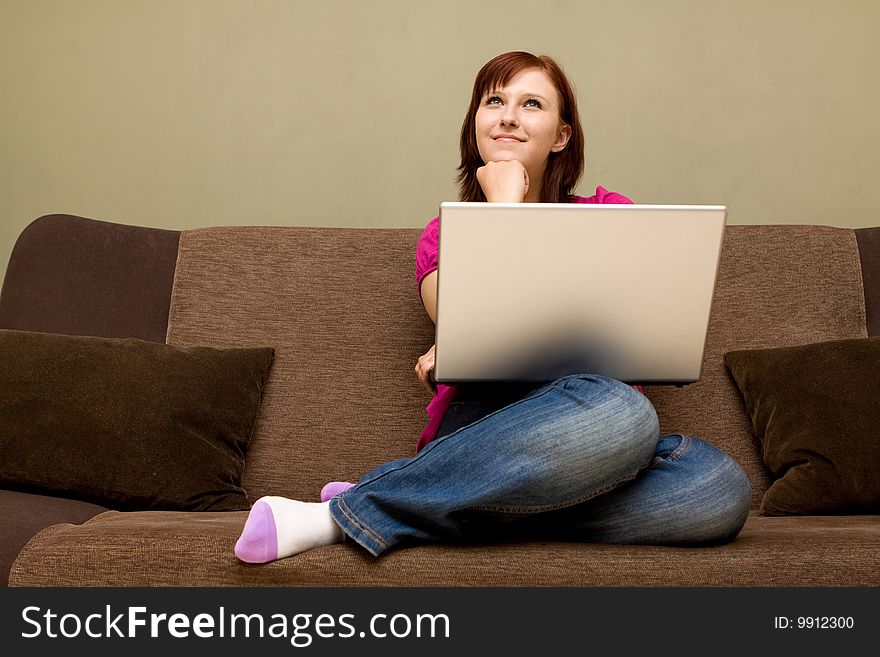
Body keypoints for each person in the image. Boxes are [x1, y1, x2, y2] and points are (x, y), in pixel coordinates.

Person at [234, 51, 752, 564]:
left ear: (562, 135)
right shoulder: (442, 236)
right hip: (486, 424)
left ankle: (407, 497)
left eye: (531, 104)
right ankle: (354, 514)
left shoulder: (611, 215)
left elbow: (643, 328)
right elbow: (481, 329)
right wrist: (504, 204)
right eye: (495, 101)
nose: (508, 115)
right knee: (626, 413)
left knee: (716, 485)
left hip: (593, 442)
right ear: (476, 123)